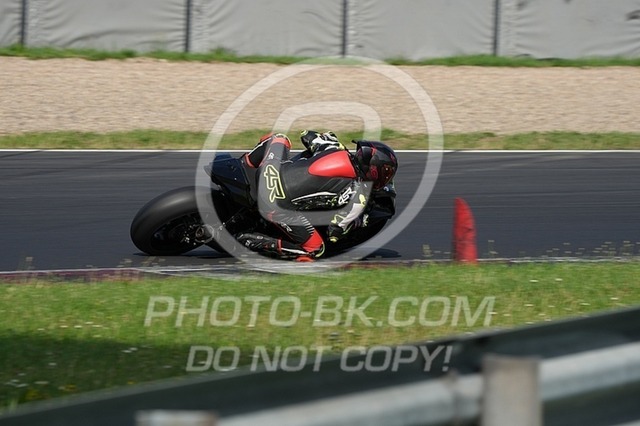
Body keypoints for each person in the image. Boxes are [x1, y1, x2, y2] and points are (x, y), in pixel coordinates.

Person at [236, 130, 397, 261]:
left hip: (269, 171)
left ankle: (242, 164)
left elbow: (306, 135)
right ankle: (250, 240)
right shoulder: (358, 197)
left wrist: (327, 139)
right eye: (386, 172)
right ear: (374, 170)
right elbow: (334, 233)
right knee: (316, 249)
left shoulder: (333, 148)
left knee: (279, 138)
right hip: (275, 204)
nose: (386, 177)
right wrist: (360, 221)